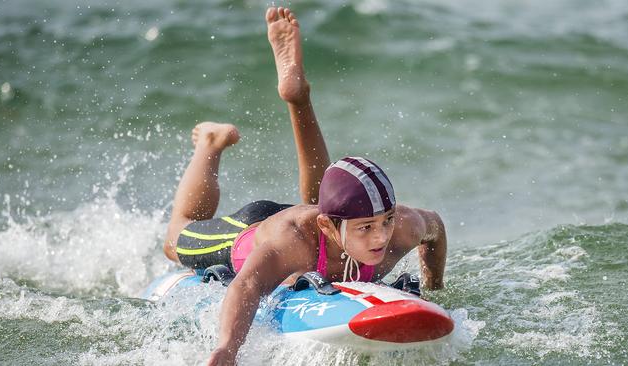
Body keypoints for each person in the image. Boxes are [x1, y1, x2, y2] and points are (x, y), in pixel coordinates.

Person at [162, 7, 447, 366]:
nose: (381, 238)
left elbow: (436, 228)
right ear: (325, 226)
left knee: (321, 200)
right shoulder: (290, 242)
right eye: (367, 228)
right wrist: (226, 349)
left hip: (325, 221)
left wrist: (435, 289)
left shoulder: (404, 227)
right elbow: (246, 285)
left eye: (386, 220)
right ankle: (210, 142)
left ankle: (298, 96)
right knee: (174, 239)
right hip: (250, 233)